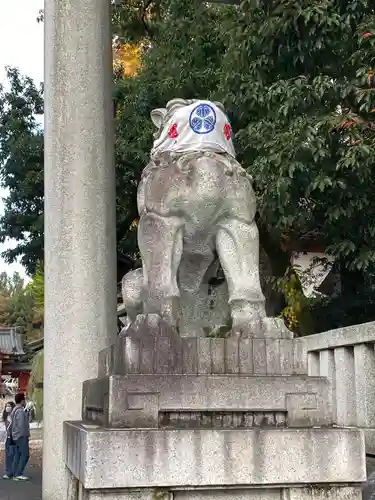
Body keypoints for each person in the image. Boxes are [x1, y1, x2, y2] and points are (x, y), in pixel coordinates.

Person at [9, 392, 30, 481]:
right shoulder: (20, 411)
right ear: (22, 400)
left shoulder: (14, 410)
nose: (25, 401)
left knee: (17, 454)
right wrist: (25, 435)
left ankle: (14, 473)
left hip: (15, 436)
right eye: (24, 399)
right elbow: (21, 425)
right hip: (21, 436)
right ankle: (18, 473)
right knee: (25, 454)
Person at [2, 400, 15, 479]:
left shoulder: (14, 416)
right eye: (6, 406)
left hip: (14, 438)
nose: (8, 408)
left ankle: (14, 471)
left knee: (14, 454)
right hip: (8, 439)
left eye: (9, 406)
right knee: (8, 455)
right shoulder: (5, 417)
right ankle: (8, 472)